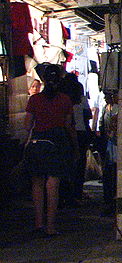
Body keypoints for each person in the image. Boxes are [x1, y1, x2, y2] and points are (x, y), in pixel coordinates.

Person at [23, 64, 76, 236]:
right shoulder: (65, 100)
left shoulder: (34, 100)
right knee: (53, 185)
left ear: (44, 80)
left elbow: (27, 125)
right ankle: (51, 226)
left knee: (37, 184)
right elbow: (68, 126)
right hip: (57, 143)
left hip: (38, 143)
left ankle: (39, 224)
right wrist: (74, 147)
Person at [62, 73, 92, 206]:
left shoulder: (61, 98)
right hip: (81, 133)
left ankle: (65, 194)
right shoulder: (81, 98)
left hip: (65, 134)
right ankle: (76, 194)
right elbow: (88, 116)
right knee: (79, 165)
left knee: (66, 165)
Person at [99, 90, 119, 215]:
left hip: (116, 145)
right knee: (108, 172)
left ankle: (113, 201)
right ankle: (108, 199)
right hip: (109, 144)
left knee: (114, 173)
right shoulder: (106, 108)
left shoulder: (118, 109)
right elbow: (103, 123)